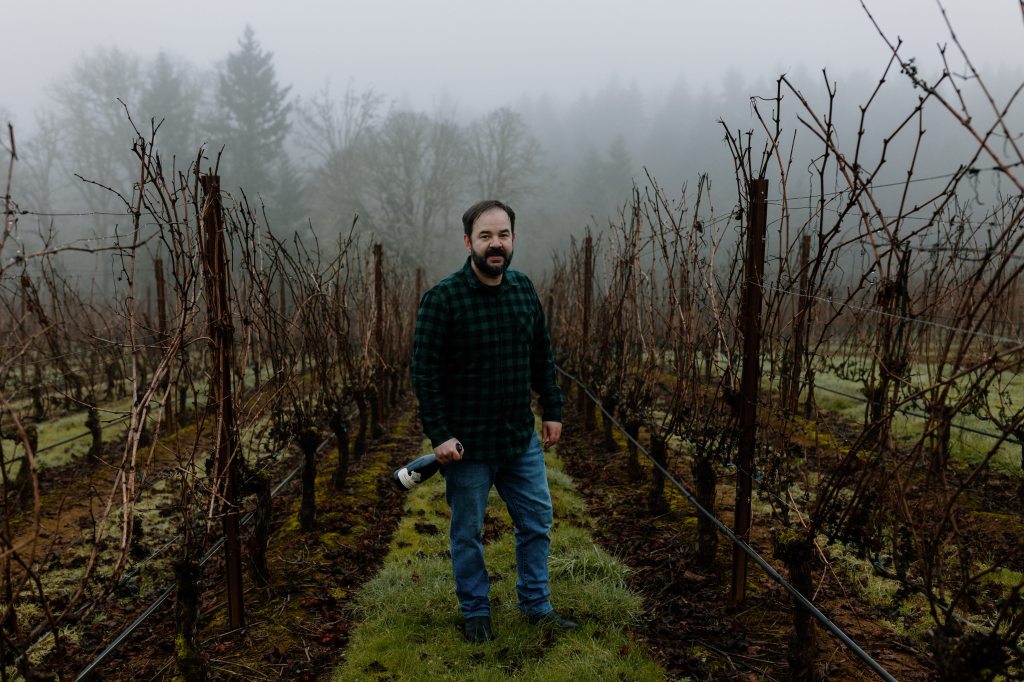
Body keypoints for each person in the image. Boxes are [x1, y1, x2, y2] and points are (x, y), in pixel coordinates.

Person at [411, 199, 577, 644]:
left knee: (537, 521)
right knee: (468, 531)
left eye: (502, 235)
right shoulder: (443, 299)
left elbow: (541, 354)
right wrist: (440, 434)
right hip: (467, 447)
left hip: (518, 437)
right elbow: (424, 373)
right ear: (469, 242)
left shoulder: (523, 290)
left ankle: (536, 605)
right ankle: (476, 610)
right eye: (485, 236)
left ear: (513, 240)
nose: (495, 244)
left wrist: (554, 410)